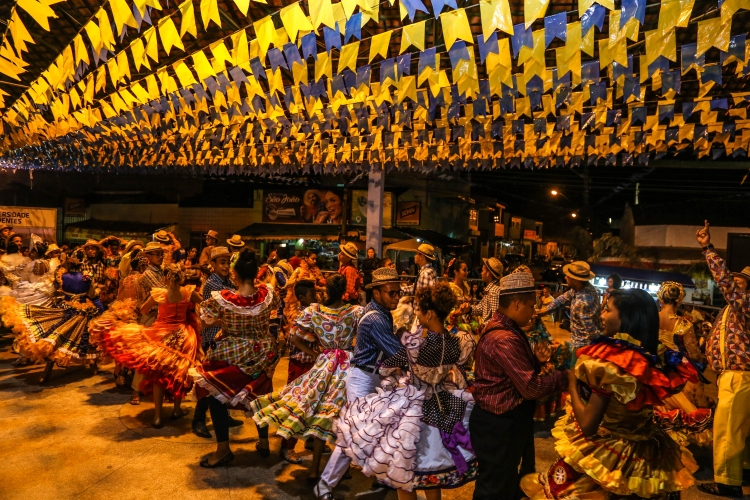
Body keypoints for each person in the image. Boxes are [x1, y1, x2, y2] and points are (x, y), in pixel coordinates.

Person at [521, 288, 700, 499]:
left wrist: (571, 384)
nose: (602, 314)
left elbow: (588, 426)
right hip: (647, 450)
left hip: (612, 451)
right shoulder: (654, 356)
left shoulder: (615, 365)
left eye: (608, 309)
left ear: (627, 318)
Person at [337, 282, 477, 497]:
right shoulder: (455, 341)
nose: (416, 313)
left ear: (429, 314)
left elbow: (389, 368)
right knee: (432, 478)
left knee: (403, 476)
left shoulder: (420, 345)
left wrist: (393, 367)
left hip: (417, 414)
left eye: (419, 309)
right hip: (443, 408)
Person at [252, 274, 364, 479]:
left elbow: (294, 338)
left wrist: (316, 353)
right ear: (344, 291)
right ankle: (343, 468)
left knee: (320, 413)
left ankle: (314, 470)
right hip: (348, 364)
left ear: (327, 291)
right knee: (343, 415)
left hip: (325, 363)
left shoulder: (314, 312)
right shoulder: (356, 312)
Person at [470, 271, 568, 500]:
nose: (534, 311)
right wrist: (567, 378)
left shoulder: (508, 329)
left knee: (503, 484)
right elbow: (530, 388)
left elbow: (513, 374)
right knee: (494, 488)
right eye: (530, 305)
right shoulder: (505, 338)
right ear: (516, 304)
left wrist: (537, 361)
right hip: (497, 426)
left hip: (500, 423)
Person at [315, 267, 404, 499]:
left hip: (374, 376)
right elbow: (398, 354)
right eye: (391, 293)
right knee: (354, 437)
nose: (396, 297)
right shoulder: (376, 318)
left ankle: (384, 476)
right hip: (363, 379)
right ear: (375, 291)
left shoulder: (382, 311)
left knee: (384, 429)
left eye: (398, 292)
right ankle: (324, 486)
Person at [190, 249, 280, 467]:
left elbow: (207, 321)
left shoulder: (224, 300)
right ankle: (264, 443)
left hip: (231, 354)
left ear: (234, 274)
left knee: (216, 395)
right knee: (260, 398)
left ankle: (223, 450)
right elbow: (273, 315)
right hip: (262, 352)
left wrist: (228, 321)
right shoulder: (267, 294)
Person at [100, 264, 202, 426]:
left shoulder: (160, 294)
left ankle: (158, 416)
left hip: (162, 335)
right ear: (181, 277)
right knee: (180, 374)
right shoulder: (188, 292)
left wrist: (157, 311)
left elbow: (144, 310)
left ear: (165, 278)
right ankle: (176, 409)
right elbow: (203, 303)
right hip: (185, 336)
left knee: (158, 377)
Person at [695, 220, 750, 497]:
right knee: (741, 430)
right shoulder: (735, 307)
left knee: (728, 430)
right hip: (737, 377)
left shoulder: (745, 302)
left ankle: (728, 483)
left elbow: (725, 282)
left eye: (741, 281)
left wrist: (708, 248)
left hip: (740, 377)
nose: (734, 282)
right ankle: (744, 471)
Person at [13, 249, 105, 383]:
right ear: (81, 265)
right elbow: (93, 296)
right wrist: (101, 311)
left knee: (55, 338)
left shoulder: (62, 276)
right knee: (85, 340)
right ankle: (93, 366)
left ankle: (47, 372)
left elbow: (51, 292)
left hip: (64, 310)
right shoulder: (87, 278)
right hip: (84, 312)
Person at [191, 246, 243, 439]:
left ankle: (223, 415)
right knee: (209, 383)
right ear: (212, 264)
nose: (226, 266)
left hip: (225, 338)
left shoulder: (227, 281)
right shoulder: (213, 284)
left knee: (223, 381)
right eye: (222, 262)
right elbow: (227, 308)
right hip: (213, 338)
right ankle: (198, 420)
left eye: (228, 262)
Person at [654, 281, 713, 447]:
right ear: (679, 300)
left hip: (654, 367)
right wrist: (700, 361)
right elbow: (694, 353)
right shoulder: (684, 324)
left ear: (661, 298)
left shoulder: (652, 318)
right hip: (678, 371)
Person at [276, 279, 318, 463]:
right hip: (299, 365)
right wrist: (315, 353)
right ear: (302, 297)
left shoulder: (310, 311)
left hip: (307, 364)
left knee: (313, 404)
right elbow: (293, 340)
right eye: (312, 294)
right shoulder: (302, 314)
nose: (316, 297)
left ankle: (310, 440)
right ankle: (287, 446)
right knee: (296, 406)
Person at [535, 261, 602, 348]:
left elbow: (591, 332)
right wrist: (545, 310)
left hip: (583, 347)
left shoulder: (583, 302)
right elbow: (563, 299)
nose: (565, 277)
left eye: (569, 276)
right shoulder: (582, 288)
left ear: (576, 281)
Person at [468, 257, 503, 323]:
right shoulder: (491, 289)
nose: (481, 273)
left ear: (488, 273)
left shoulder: (493, 291)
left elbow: (496, 319)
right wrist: (468, 309)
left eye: (482, 270)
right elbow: (481, 308)